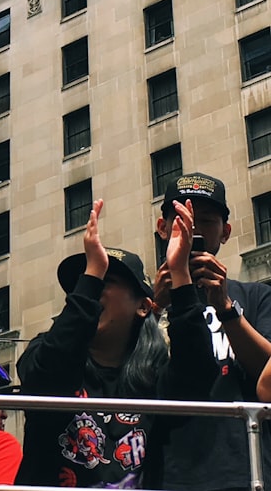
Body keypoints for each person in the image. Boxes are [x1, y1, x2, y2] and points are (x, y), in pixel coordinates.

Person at [14, 199, 215, 488]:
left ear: (144, 307)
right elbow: (47, 377)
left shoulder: (155, 376)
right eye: (84, 286)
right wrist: (91, 274)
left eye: (104, 281)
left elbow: (197, 376)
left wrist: (181, 275)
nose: (90, 293)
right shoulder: (43, 354)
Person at [152, 173, 271, 491]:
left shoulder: (255, 296)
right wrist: (154, 307)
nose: (193, 230)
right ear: (163, 228)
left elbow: (267, 376)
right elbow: (126, 377)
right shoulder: (141, 301)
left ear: (225, 232)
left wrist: (225, 307)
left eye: (204, 221)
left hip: (245, 468)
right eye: (182, 220)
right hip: (167, 472)